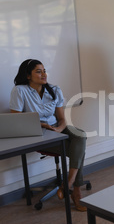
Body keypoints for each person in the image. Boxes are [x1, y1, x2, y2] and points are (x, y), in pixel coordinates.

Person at [9, 59, 87, 212]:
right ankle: (76, 192)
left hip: (56, 128)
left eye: (44, 70)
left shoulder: (54, 89)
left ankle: (67, 185)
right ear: (28, 75)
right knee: (78, 150)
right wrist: (43, 125)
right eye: (39, 71)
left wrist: (58, 130)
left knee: (81, 136)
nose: (44, 74)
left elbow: (63, 120)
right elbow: (16, 121)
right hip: (37, 132)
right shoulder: (19, 90)